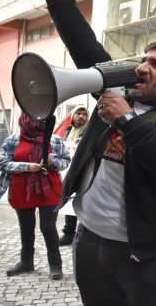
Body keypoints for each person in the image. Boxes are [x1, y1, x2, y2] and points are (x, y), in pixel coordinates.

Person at [23, 0, 156, 306]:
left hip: (142, 247)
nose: (142, 67)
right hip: (90, 236)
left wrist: (127, 120)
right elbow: (85, 47)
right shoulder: (116, 90)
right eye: (144, 59)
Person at [0, 113, 70, 280]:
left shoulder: (54, 139)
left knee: (48, 227)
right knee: (26, 227)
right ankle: (26, 262)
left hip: (49, 188)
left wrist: (53, 163)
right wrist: (26, 166)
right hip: (21, 189)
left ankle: (55, 264)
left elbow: (66, 161)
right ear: (27, 121)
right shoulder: (13, 140)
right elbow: (2, 163)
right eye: (36, 120)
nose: (40, 123)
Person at [58, 105, 88, 247]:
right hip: (68, 170)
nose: (81, 116)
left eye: (84, 114)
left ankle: (84, 233)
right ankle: (68, 233)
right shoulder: (68, 130)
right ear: (73, 115)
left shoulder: (89, 131)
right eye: (78, 113)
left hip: (83, 171)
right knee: (68, 200)